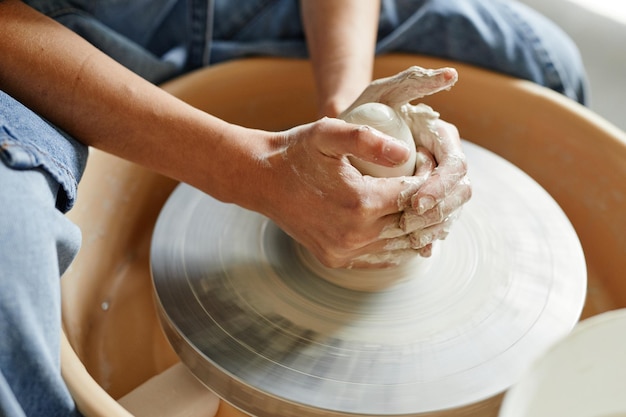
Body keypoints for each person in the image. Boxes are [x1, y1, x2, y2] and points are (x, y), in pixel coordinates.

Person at [0, 0, 587, 416]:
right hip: (34, 38)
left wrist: (347, 116)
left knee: (546, 65)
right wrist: (251, 169)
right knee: (8, 253)